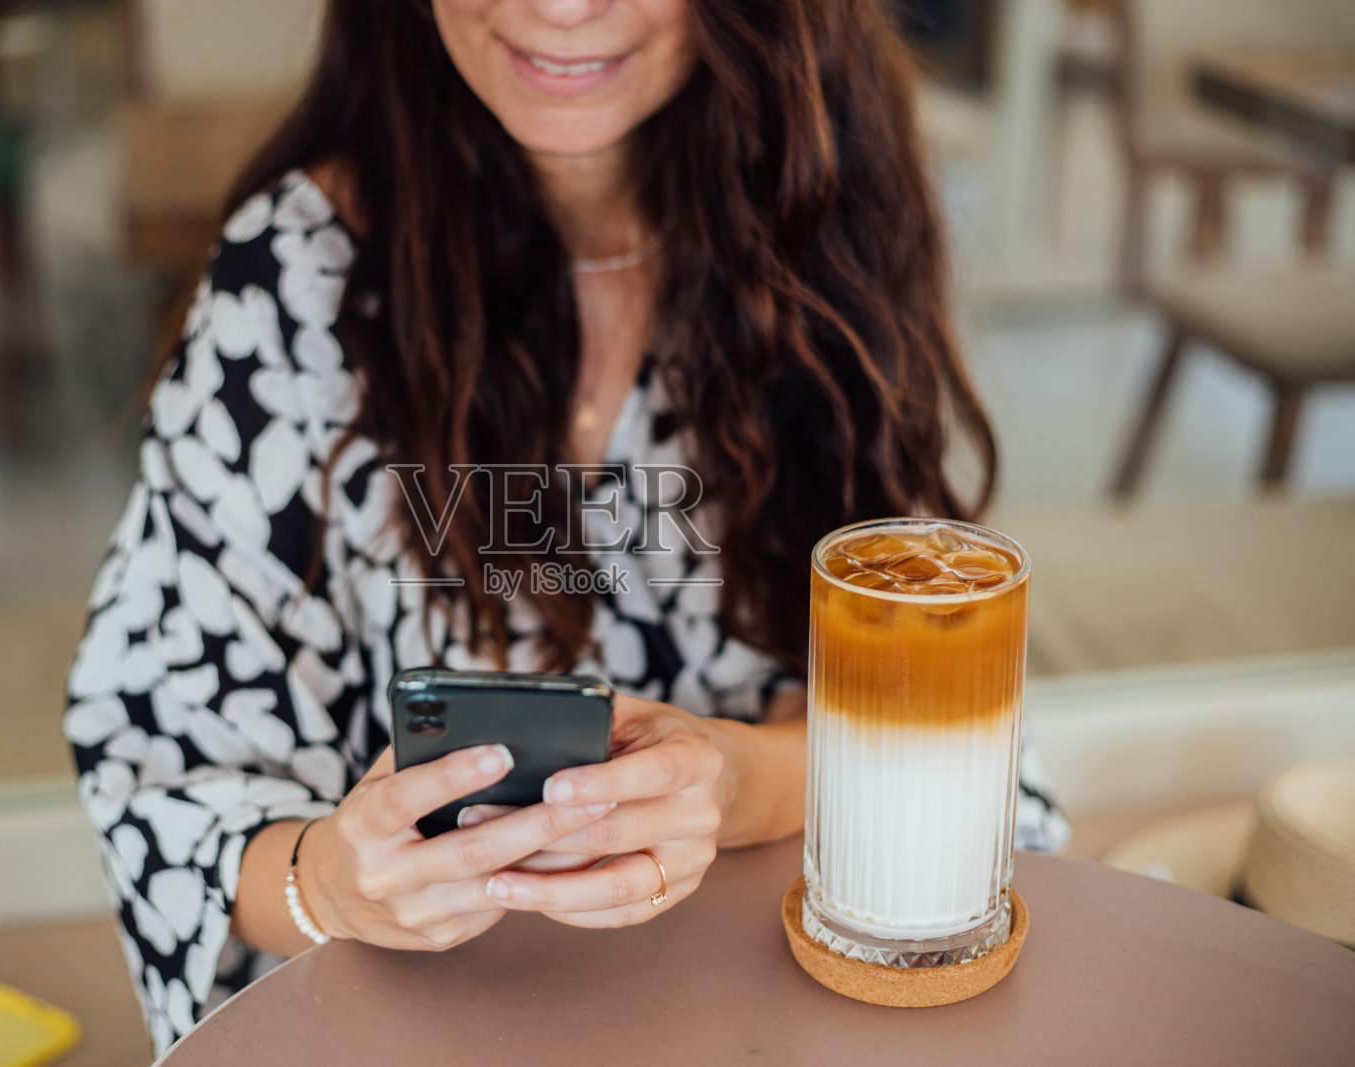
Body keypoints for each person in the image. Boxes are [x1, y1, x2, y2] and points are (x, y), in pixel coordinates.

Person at [65, 0, 1069, 1052]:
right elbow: (163, 770)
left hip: (749, 1007)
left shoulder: (822, 216)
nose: (561, 7)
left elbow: (934, 727)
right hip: (413, 1020)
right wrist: (331, 880)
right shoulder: (296, 277)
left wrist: (730, 779)